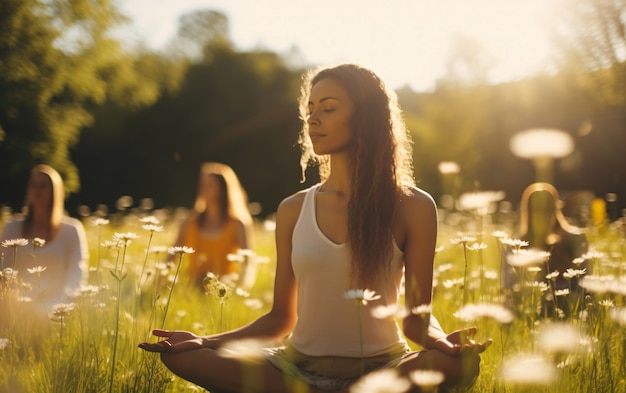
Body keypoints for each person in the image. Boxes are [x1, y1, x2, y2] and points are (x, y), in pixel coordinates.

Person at [139, 64, 490, 392]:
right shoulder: (293, 208)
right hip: (294, 369)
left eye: (328, 108)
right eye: (310, 108)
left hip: (385, 368)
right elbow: (280, 318)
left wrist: (442, 342)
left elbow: (417, 320)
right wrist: (204, 341)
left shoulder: (414, 206)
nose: (313, 118)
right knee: (181, 355)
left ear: (365, 117)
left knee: (460, 366)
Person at [0, 164, 89, 309]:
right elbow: (3, 268)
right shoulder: (12, 227)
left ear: (55, 191)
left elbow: (77, 274)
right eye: (34, 185)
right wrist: (11, 303)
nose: (37, 190)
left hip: (56, 306)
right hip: (15, 307)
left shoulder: (72, 230)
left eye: (43, 185)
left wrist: (59, 305)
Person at [501, 182, 590, 316]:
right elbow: (508, 286)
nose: (541, 214)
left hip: (570, 310)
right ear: (528, 212)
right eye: (536, 209)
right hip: (528, 311)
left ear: (554, 210)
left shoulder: (576, 240)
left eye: (546, 209)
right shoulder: (516, 245)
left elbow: (585, 284)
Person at [169, 162, 254, 289]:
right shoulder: (190, 222)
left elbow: (248, 262)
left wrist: (241, 287)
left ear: (223, 189)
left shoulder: (237, 224)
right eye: (203, 184)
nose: (203, 189)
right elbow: (171, 256)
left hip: (223, 289)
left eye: (210, 185)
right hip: (192, 288)